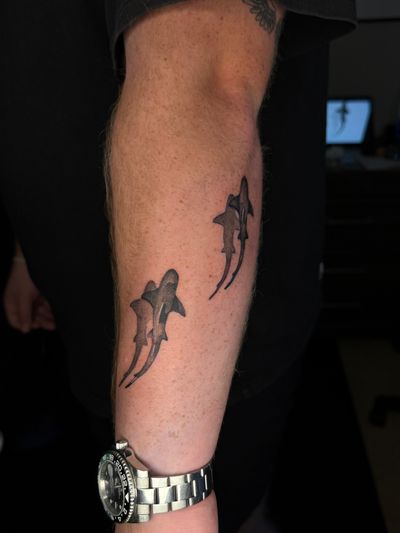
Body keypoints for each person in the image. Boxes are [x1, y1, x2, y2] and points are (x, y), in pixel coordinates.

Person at [0, 1, 356, 531]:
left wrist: (164, 496)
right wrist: (27, 251)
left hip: (207, 381)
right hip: (83, 323)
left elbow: (205, 86)